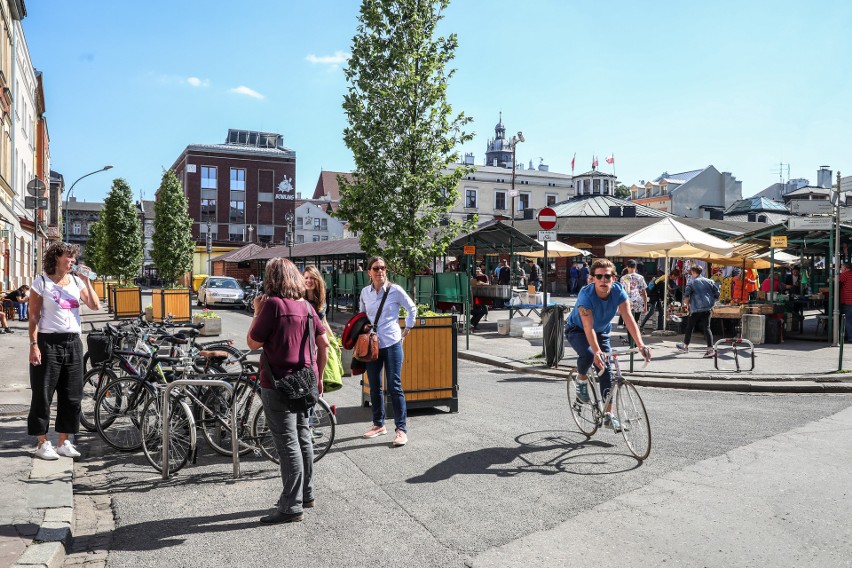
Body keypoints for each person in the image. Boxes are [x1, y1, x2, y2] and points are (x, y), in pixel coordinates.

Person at [247, 257, 330, 524]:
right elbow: (324, 342)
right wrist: (318, 376)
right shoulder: (306, 306)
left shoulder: (272, 306)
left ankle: (291, 506)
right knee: (303, 437)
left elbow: (252, 343)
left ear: (271, 279)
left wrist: (257, 311)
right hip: (305, 382)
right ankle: (306, 494)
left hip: (278, 384)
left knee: (287, 443)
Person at [28, 242, 100, 460]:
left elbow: (94, 305)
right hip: (48, 342)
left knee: (72, 396)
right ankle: (42, 443)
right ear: (56, 258)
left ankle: (63, 441)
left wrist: (87, 281)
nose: (72, 261)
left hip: (73, 342)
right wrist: (33, 345)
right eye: (68, 257)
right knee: (43, 393)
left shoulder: (77, 281)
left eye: (73, 258)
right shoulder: (41, 283)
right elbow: (33, 316)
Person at [564, 259, 651, 431]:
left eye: (608, 276)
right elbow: (588, 328)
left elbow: (628, 318)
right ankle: (581, 380)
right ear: (593, 278)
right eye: (599, 276)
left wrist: (641, 345)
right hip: (578, 330)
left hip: (602, 332)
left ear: (614, 278)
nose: (604, 280)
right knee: (590, 355)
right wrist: (597, 352)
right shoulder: (586, 295)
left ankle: (609, 415)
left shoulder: (619, 291)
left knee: (606, 370)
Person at [360, 256, 417, 447]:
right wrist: (364, 331)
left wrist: (407, 329)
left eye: (383, 268)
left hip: (392, 343)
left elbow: (412, 308)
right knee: (375, 386)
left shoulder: (395, 290)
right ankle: (378, 424)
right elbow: (361, 317)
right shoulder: (365, 293)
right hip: (372, 346)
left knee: (394, 385)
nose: (380, 271)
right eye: (375, 268)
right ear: (369, 272)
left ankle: (401, 430)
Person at [676, 266, 720, 358]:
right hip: (707, 308)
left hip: (696, 308)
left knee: (690, 327)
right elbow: (717, 293)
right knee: (707, 328)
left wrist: (687, 306)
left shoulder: (691, 283)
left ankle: (685, 346)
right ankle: (710, 349)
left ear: (692, 272)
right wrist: (711, 301)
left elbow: (686, 297)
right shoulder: (709, 281)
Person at [620, 260, 648, 326]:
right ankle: (634, 335)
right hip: (638, 301)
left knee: (628, 322)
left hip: (627, 302)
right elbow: (644, 292)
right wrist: (645, 305)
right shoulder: (640, 278)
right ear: (635, 267)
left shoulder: (623, 278)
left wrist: (619, 306)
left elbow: (621, 293)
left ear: (627, 267)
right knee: (636, 321)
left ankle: (630, 335)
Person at [839, 263, 852, 342]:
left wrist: (829, 279)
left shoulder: (845, 274)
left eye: (841, 267)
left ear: (845, 268)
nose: (841, 269)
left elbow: (836, 280)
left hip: (848, 301)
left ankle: (850, 337)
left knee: (848, 320)